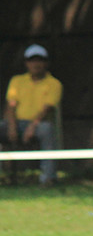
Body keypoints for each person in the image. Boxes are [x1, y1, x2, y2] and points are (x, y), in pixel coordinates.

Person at [3, 44, 63, 186]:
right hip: (16, 123)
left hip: (38, 125)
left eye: (40, 60)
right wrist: (12, 126)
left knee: (47, 130)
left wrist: (32, 126)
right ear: (26, 63)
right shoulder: (17, 81)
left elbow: (47, 109)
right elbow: (11, 106)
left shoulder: (54, 84)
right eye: (32, 60)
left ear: (46, 63)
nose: (36, 64)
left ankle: (47, 178)